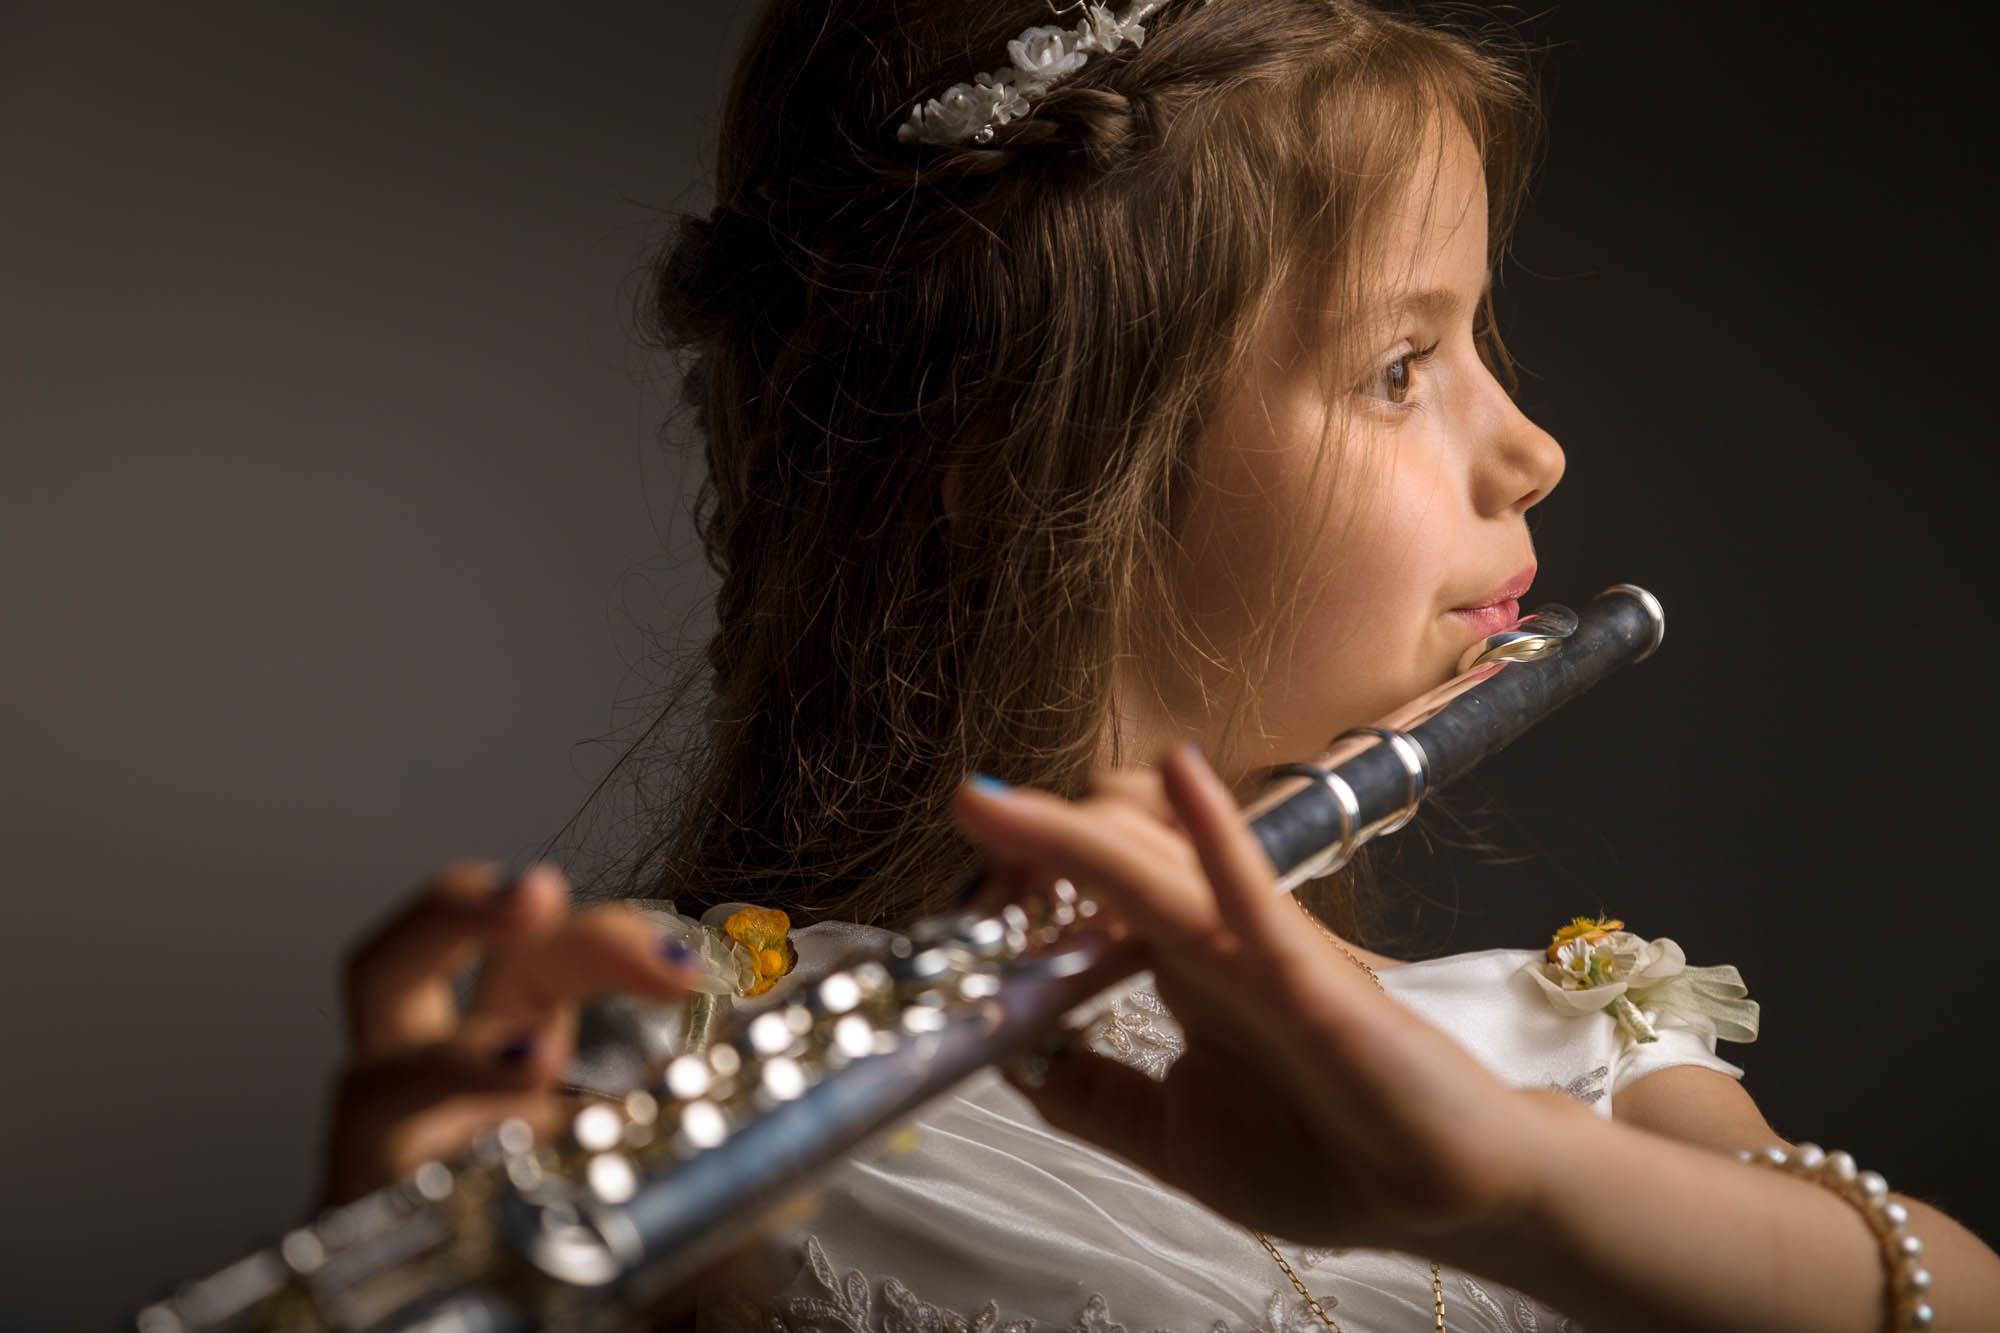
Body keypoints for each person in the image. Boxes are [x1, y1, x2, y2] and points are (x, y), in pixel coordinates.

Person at [325, 0, 2000, 1329]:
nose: (1536, 446)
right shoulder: (674, 1059)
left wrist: (1503, 1182)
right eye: (1403, 365)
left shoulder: (1574, 1039)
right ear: (1025, 441)